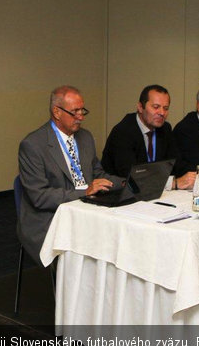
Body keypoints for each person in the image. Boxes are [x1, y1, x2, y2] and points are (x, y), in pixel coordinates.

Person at [17, 86, 123, 264]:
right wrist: (86, 192)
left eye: (82, 110)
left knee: (119, 233)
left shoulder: (85, 137)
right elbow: (40, 197)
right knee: (99, 244)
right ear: (57, 112)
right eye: (74, 112)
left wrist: (128, 183)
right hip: (51, 218)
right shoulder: (33, 145)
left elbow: (98, 174)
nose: (80, 117)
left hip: (86, 208)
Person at [101, 84, 197, 189]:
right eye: (156, 107)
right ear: (140, 107)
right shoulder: (123, 132)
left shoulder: (165, 128)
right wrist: (174, 184)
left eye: (166, 108)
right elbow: (132, 177)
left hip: (152, 194)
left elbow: (177, 164)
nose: (162, 113)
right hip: (120, 195)